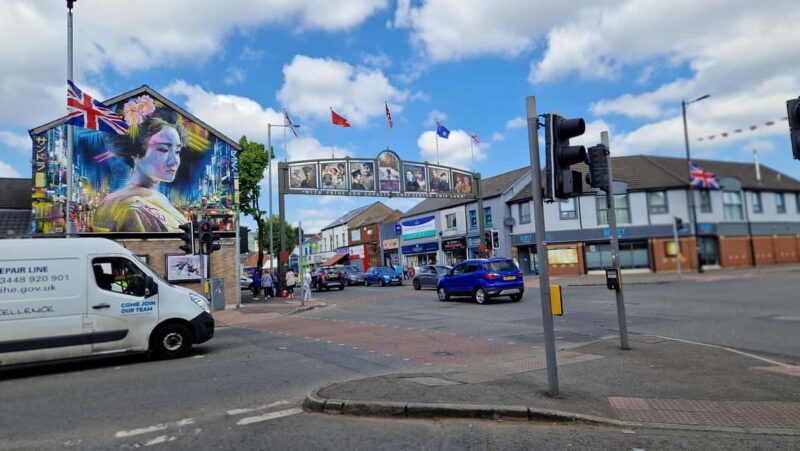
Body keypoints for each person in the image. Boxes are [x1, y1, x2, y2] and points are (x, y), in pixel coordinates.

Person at [94, 107, 189, 232]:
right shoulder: (132, 208)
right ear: (136, 152)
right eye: (163, 150)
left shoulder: (157, 197)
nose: (174, 161)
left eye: (177, 151)